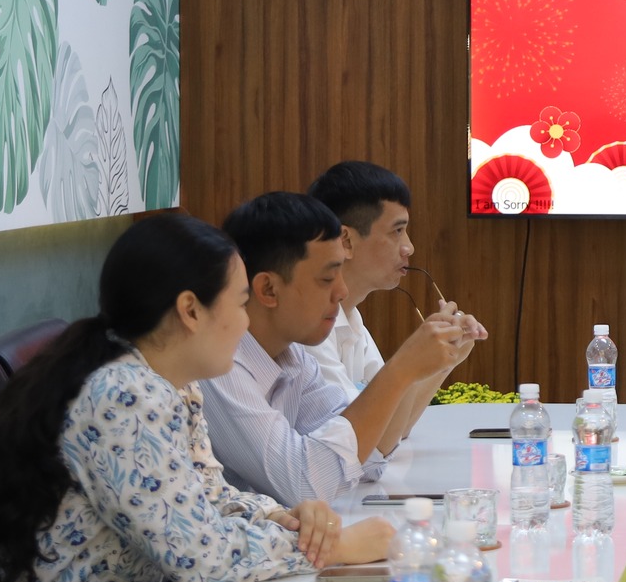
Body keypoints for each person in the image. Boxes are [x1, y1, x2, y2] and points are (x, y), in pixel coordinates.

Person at [0, 214, 392, 582]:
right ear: (190, 310)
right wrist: (333, 548)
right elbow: (198, 556)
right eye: (240, 303)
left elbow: (209, 494)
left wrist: (283, 518)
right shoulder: (122, 393)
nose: (247, 322)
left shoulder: (171, 383)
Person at [200, 192, 469, 506]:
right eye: (327, 278)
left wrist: (416, 368)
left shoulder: (294, 358)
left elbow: (370, 456)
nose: (341, 291)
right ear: (268, 289)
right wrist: (401, 369)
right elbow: (302, 485)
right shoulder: (220, 367)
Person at [305, 160, 486, 410]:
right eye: (397, 231)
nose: (409, 248)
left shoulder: (351, 317)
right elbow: (361, 431)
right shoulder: (308, 328)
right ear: (346, 241)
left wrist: (446, 359)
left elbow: (394, 422)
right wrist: (411, 359)